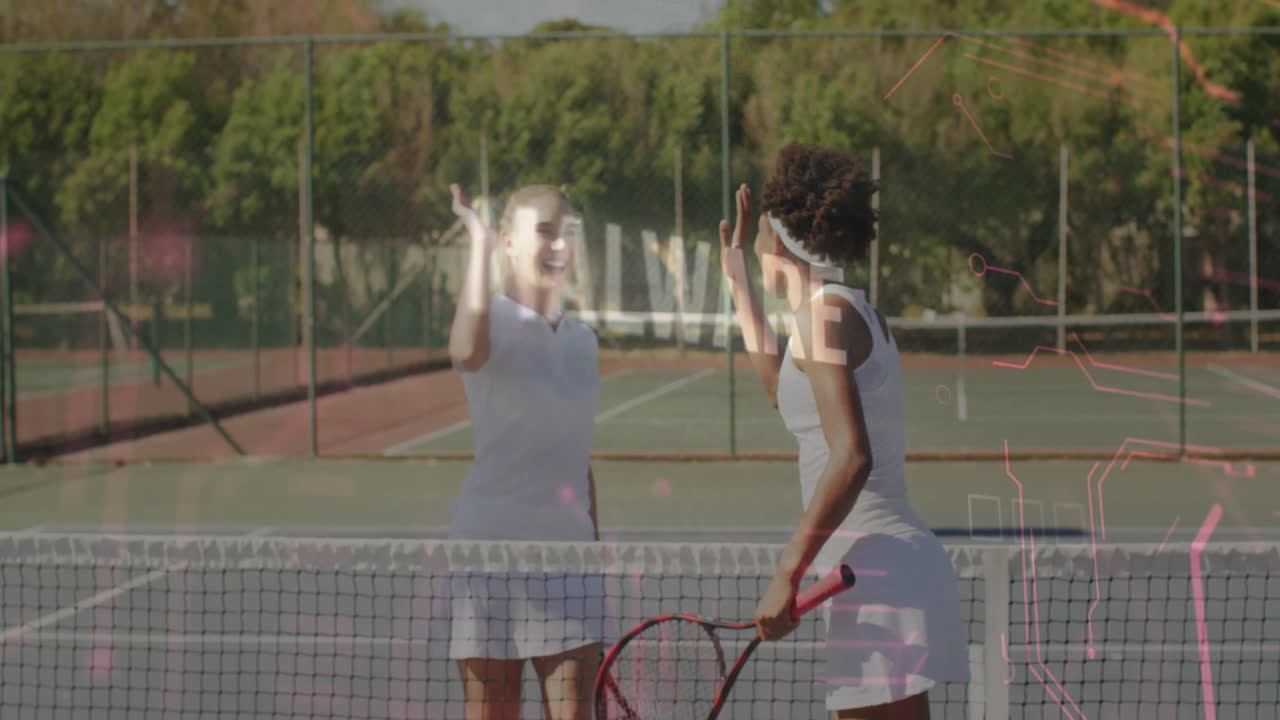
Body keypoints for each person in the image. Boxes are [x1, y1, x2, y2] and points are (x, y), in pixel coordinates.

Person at [720, 143, 969, 718]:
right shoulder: (840, 312)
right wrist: (737, 283)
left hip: (876, 572)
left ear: (778, 241)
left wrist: (788, 571)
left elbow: (851, 456)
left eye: (758, 238)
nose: (756, 248)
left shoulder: (823, 318)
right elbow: (781, 390)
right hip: (879, 572)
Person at [446, 182, 606, 720]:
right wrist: (476, 243)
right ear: (509, 243)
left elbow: (576, 458)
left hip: (568, 557)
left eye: (568, 233)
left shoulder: (584, 341)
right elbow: (466, 351)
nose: (559, 244)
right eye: (544, 231)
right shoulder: (489, 320)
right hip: (488, 552)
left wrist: (594, 548)